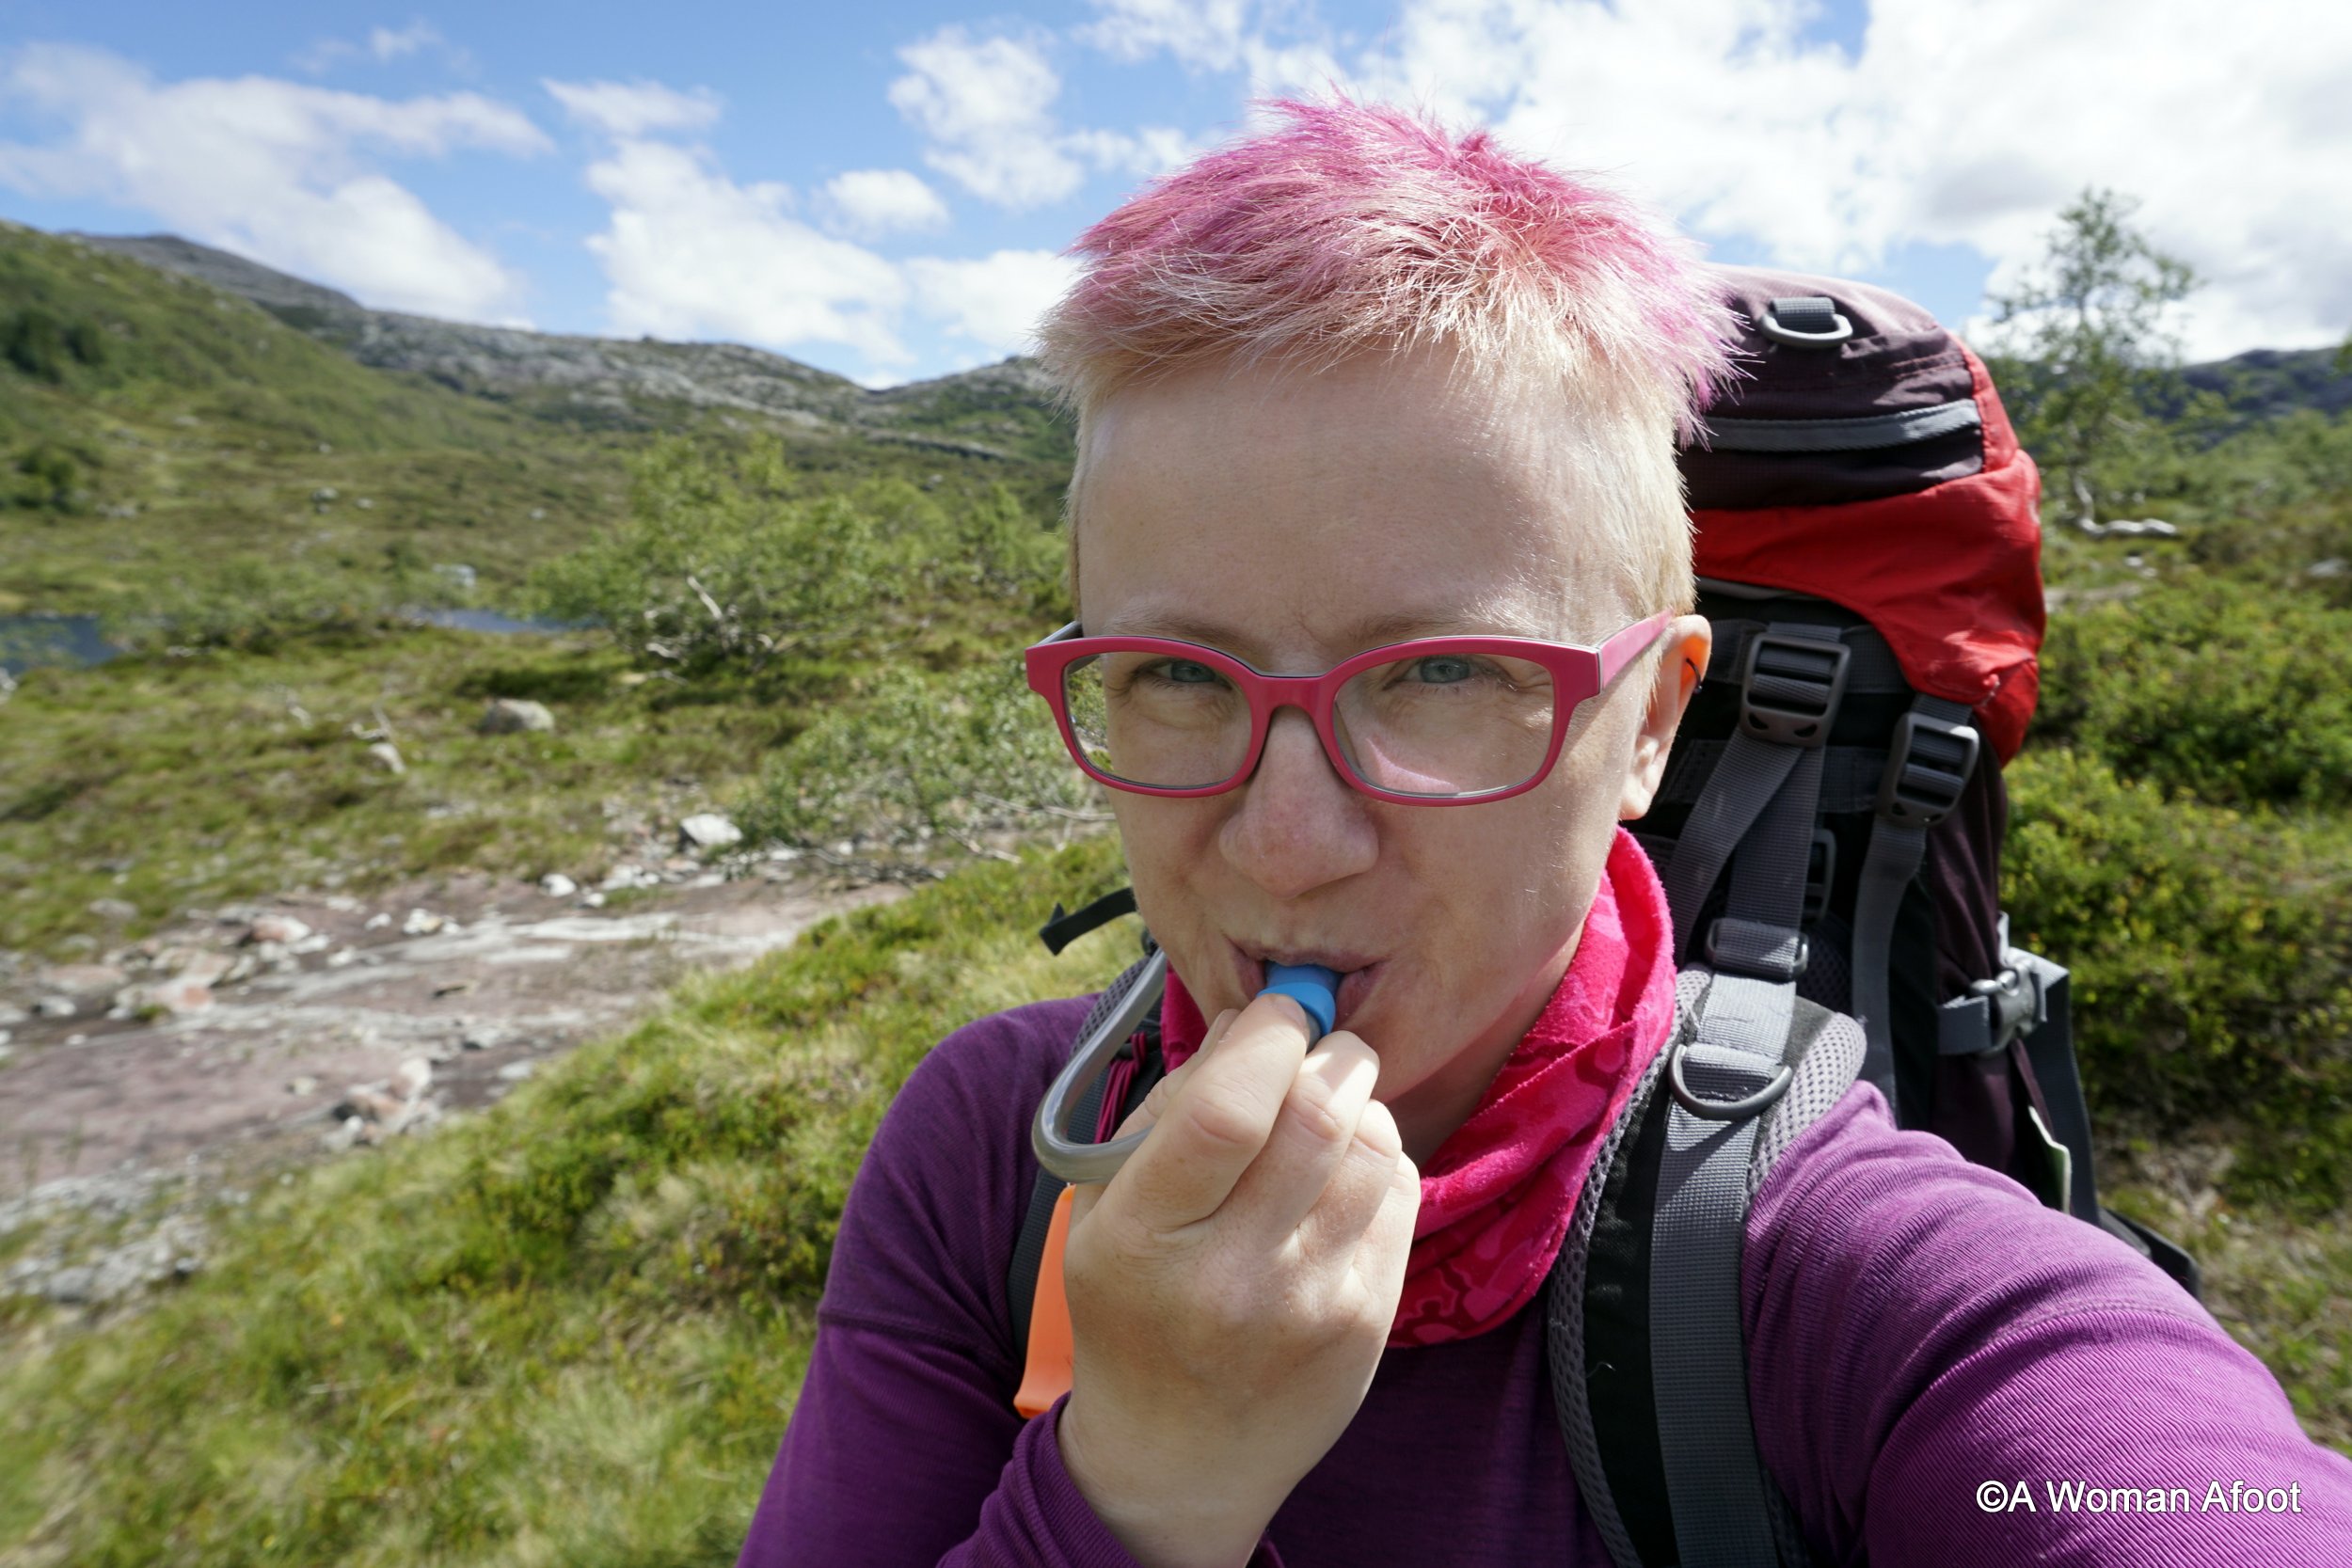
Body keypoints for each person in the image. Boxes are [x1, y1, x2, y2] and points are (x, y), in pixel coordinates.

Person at [737, 94, 2352, 1566]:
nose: (1286, 847)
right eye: (1175, 674)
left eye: (1442, 674)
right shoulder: (987, 1153)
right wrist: (1142, 1482)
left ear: (1649, 721)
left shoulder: (1860, 1287)